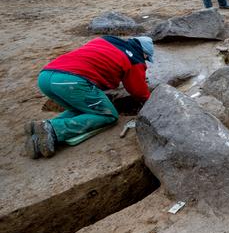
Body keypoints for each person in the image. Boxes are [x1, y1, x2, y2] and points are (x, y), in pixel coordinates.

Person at [25, 36, 154, 159]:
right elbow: (138, 91)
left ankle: (38, 135)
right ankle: (54, 129)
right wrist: (152, 100)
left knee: (84, 110)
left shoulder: (108, 40)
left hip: (46, 77)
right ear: (145, 54)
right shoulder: (135, 58)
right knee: (109, 115)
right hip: (70, 82)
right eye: (147, 58)